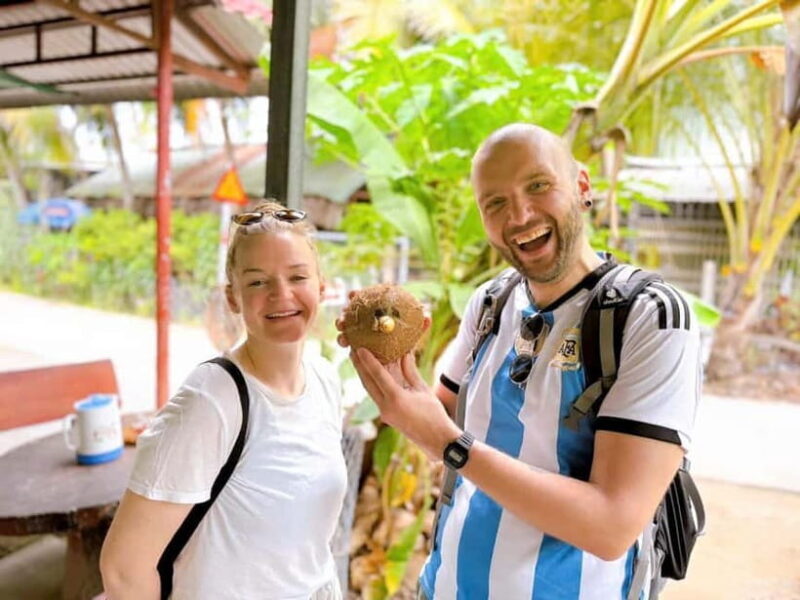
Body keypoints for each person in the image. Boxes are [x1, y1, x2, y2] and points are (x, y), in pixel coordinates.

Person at [344, 123, 701, 599]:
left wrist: (449, 444)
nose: (519, 214)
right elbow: (439, 423)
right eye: (495, 203)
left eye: (538, 185)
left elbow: (611, 527)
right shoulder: (490, 302)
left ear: (581, 186)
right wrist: (391, 364)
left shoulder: (648, 315)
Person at [100, 201, 347, 600]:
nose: (281, 294)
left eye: (297, 276)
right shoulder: (211, 400)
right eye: (257, 282)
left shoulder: (324, 381)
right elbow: (124, 570)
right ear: (233, 298)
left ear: (321, 286)